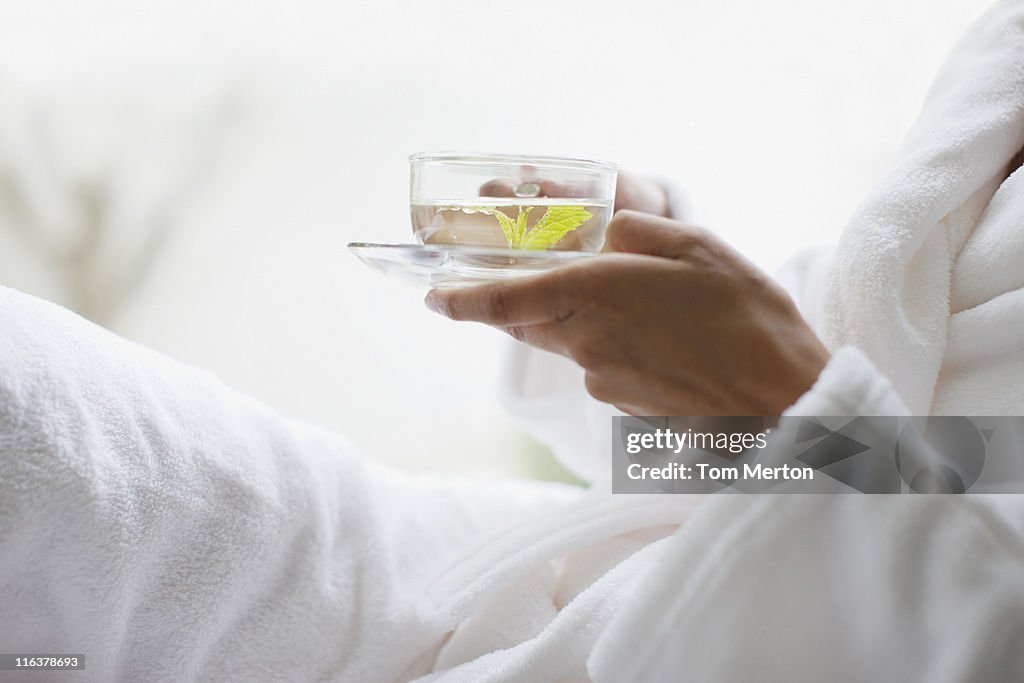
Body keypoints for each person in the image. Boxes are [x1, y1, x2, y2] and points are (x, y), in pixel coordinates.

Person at [2, 2, 1024, 682]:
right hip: (541, 560)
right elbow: (956, 432)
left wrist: (781, 410)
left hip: (711, 631)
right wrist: (656, 274)